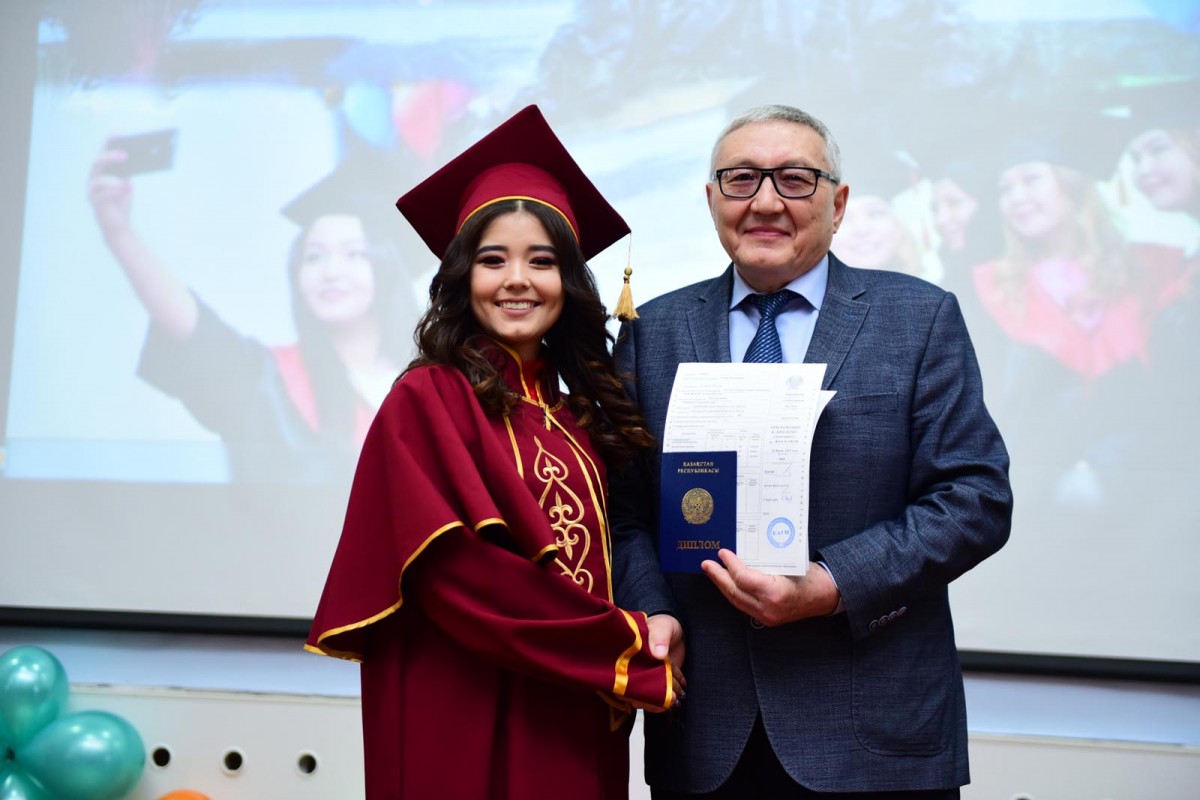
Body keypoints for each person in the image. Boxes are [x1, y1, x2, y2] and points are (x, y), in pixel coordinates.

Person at [610, 103, 1012, 797]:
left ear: (839, 203)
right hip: (704, 733)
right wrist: (655, 611)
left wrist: (832, 585)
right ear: (712, 199)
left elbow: (974, 499)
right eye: (741, 179)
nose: (765, 202)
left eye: (795, 179)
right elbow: (624, 511)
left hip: (876, 735)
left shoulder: (917, 318)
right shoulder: (654, 330)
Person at [305, 105, 677, 800]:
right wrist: (619, 648)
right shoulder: (428, 400)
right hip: (466, 701)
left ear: (569, 282)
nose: (517, 279)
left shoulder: (578, 419)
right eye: (492, 260)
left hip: (575, 709)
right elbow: (459, 577)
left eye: (542, 261)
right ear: (461, 277)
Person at [87, 149, 414, 483]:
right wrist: (120, 234)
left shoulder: (428, 385)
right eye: (314, 257)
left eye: (353, 254)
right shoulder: (269, 381)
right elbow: (197, 330)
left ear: (386, 267)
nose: (331, 271)